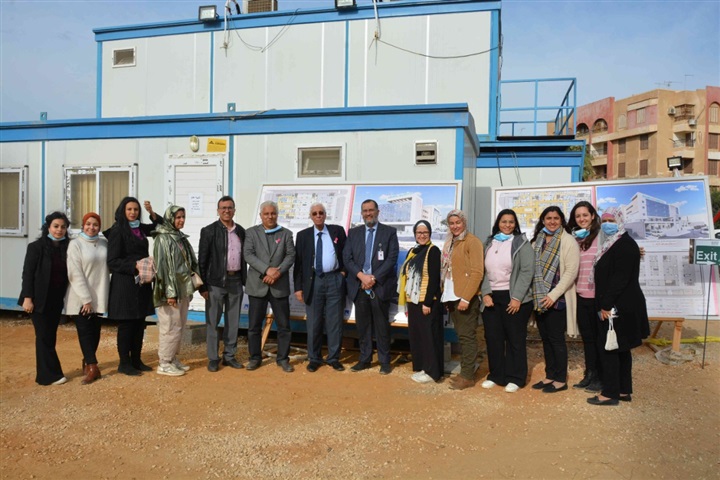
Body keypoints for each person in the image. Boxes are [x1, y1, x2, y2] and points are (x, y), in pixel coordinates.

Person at [588, 210, 650, 406]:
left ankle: (610, 393)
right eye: (604, 220)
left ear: (620, 221)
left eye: (611, 220)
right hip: (618, 304)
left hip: (618, 306)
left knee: (610, 348)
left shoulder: (624, 244)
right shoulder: (612, 243)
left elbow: (620, 279)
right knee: (621, 348)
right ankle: (623, 390)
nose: (607, 224)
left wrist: (606, 305)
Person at [105, 197, 162, 376]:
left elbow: (158, 226)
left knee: (139, 322)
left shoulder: (139, 228)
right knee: (127, 324)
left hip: (141, 282)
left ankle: (136, 360)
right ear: (123, 210)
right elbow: (112, 261)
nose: (133, 212)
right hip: (125, 283)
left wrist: (152, 213)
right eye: (129, 209)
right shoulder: (117, 231)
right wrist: (134, 266)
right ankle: (124, 363)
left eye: (136, 209)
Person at [479, 209, 534, 393]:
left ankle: (516, 377)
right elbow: (481, 270)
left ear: (515, 224)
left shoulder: (521, 243)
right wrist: (485, 293)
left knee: (514, 338)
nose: (507, 225)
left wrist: (517, 297)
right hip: (492, 298)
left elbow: (527, 271)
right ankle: (496, 375)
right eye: (504, 221)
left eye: (511, 222)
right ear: (498, 223)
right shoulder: (488, 242)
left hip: (514, 297)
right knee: (493, 338)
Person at [343, 199, 399, 375]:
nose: (368, 214)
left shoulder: (389, 232)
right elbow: (347, 258)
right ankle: (365, 359)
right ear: (362, 213)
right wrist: (361, 276)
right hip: (359, 286)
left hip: (379, 286)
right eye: (365, 211)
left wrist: (373, 278)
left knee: (382, 326)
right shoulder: (353, 233)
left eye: (371, 210)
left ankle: (384, 361)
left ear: (377, 211)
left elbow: (391, 259)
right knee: (363, 326)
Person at [530, 206, 579, 393]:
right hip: (539, 298)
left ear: (561, 221)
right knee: (545, 339)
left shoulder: (568, 241)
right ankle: (550, 375)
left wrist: (553, 295)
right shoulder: (537, 241)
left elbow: (571, 272)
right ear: (543, 220)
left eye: (556, 218)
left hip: (557, 299)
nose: (552, 221)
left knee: (557, 339)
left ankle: (560, 379)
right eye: (548, 218)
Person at [294, 203, 347, 372]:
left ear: (325, 214)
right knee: (314, 323)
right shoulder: (303, 235)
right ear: (310, 216)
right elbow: (298, 264)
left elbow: (346, 253)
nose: (318, 215)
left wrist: (343, 273)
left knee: (335, 322)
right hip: (313, 281)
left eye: (321, 213)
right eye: (315, 213)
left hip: (334, 279)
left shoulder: (337, 231)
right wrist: (298, 288)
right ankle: (314, 358)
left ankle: (333, 358)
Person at [19, 212, 71, 386]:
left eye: (63, 227)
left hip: (56, 300)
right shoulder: (36, 247)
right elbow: (28, 274)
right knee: (43, 336)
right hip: (38, 300)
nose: (59, 230)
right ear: (48, 227)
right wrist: (27, 298)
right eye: (56, 226)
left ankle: (46, 374)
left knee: (50, 335)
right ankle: (49, 376)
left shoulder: (67, 247)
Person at [244, 201, 296, 373]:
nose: (270, 216)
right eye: (266, 214)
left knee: (284, 326)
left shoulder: (286, 234)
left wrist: (276, 273)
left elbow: (290, 256)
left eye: (273, 213)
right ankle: (255, 358)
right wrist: (267, 270)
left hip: (278, 286)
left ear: (277, 215)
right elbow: (248, 254)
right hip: (257, 286)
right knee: (254, 326)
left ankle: (283, 359)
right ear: (261, 215)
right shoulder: (251, 233)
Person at [198, 196, 247, 372]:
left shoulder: (241, 231)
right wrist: (202, 286)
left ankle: (229, 356)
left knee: (233, 322)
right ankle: (213, 358)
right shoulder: (209, 231)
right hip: (215, 283)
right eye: (223, 208)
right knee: (212, 322)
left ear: (234, 210)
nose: (227, 210)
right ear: (218, 210)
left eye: (230, 207)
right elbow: (202, 260)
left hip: (236, 281)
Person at [152, 205, 199, 377]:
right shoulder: (163, 238)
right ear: (170, 218)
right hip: (170, 292)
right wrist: (169, 293)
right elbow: (163, 267)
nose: (181, 220)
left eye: (183, 217)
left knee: (179, 325)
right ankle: (164, 362)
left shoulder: (179, 237)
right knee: (170, 326)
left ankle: (172, 358)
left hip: (182, 289)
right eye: (178, 217)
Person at [440, 209, 484, 390]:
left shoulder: (472, 242)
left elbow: (477, 272)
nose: (455, 226)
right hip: (452, 295)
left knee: (467, 337)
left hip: (465, 297)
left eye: (458, 222)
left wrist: (466, 298)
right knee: (462, 335)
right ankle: (465, 372)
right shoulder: (451, 241)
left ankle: (467, 376)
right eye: (451, 223)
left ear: (464, 222)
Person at [65, 212, 109, 385]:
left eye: (95, 224)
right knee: (84, 332)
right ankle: (92, 367)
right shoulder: (75, 244)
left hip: (99, 295)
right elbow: (74, 273)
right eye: (88, 224)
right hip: (80, 298)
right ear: (83, 226)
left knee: (95, 332)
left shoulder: (104, 243)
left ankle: (87, 361)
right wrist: (86, 299)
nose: (92, 227)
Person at [397, 220, 443, 383]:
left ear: (430, 233)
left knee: (429, 337)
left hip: (426, 301)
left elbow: (434, 279)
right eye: (419, 233)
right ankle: (423, 367)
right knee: (418, 336)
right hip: (413, 300)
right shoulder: (413, 251)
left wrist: (428, 303)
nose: (422, 235)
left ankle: (432, 372)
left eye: (425, 232)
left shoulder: (433, 251)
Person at [566, 201, 603, 393]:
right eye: (578, 216)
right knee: (588, 339)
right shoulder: (575, 240)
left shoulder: (602, 236)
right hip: (581, 296)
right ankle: (590, 373)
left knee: (600, 339)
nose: (582, 219)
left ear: (593, 216)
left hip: (598, 297)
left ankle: (600, 377)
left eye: (585, 215)